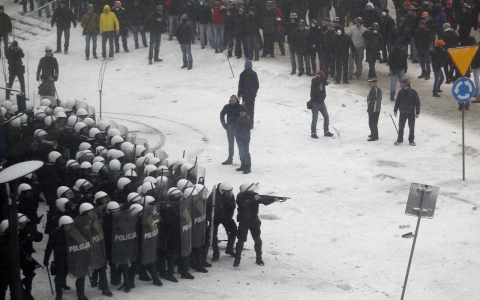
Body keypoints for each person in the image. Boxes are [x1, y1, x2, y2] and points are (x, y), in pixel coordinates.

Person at [234, 183, 277, 267]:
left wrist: (272, 200)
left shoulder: (254, 196)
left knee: (257, 240)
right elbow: (243, 205)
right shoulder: (240, 196)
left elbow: (264, 201)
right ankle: (237, 260)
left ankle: (259, 259)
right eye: (251, 191)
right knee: (241, 241)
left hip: (254, 221)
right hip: (244, 221)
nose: (253, 192)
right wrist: (253, 199)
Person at [207, 182, 237, 261]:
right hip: (215, 218)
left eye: (230, 191)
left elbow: (233, 207)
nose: (229, 193)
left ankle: (229, 249)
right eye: (227, 192)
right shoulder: (213, 196)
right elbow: (208, 206)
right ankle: (216, 253)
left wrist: (228, 217)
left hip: (226, 217)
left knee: (233, 230)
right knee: (213, 234)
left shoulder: (230, 195)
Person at [393, 79, 420, 146]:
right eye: (402, 86)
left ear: (408, 86)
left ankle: (411, 140)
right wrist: (395, 110)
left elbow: (417, 103)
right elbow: (397, 102)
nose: (403, 87)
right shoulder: (400, 92)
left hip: (411, 112)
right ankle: (399, 139)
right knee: (401, 126)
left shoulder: (413, 93)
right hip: (402, 112)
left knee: (411, 127)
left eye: (404, 86)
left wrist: (417, 112)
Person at [310, 70, 334, 138]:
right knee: (315, 119)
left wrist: (325, 81)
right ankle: (313, 133)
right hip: (315, 103)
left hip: (321, 102)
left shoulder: (321, 81)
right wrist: (325, 80)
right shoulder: (315, 80)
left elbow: (323, 82)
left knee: (326, 117)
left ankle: (326, 131)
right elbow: (319, 81)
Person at [220, 95, 241, 165]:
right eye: (231, 100)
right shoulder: (227, 107)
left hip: (238, 128)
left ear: (236, 100)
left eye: (233, 100)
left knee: (240, 144)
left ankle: (242, 158)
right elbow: (222, 114)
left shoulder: (240, 107)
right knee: (231, 144)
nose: (231, 101)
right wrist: (223, 124)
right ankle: (230, 159)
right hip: (230, 128)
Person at [237, 60, 259, 125]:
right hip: (252, 95)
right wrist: (255, 92)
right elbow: (257, 85)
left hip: (245, 95)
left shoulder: (242, 74)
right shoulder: (254, 74)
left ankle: (245, 123)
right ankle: (251, 123)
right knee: (251, 109)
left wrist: (239, 94)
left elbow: (240, 85)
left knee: (245, 109)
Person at [234, 106, 252, 174]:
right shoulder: (240, 118)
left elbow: (245, 129)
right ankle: (243, 165)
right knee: (241, 153)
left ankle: (248, 167)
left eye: (243, 112)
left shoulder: (247, 119)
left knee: (245, 153)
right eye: (240, 112)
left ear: (245, 112)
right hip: (239, 139)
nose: (241, 113)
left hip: (244, 139)